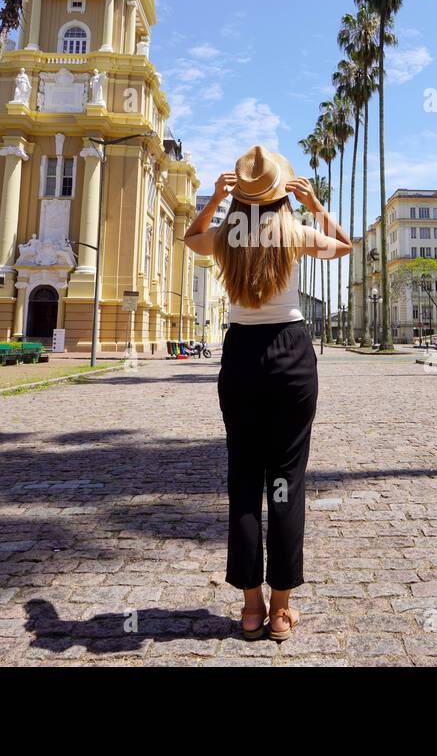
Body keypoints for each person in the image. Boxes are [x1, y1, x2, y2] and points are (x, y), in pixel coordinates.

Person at [185, 146, 351, 640]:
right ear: (282, 195)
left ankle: (251, 609)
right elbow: (343, 247)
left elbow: (191, 236)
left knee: (243, 478)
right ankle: (281, 610)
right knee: (286, 480)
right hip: (290, 355)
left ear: (241, 194)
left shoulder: (224, 237)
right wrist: (317, 205)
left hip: (241, 357)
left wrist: (215, 197)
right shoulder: (294, 231)